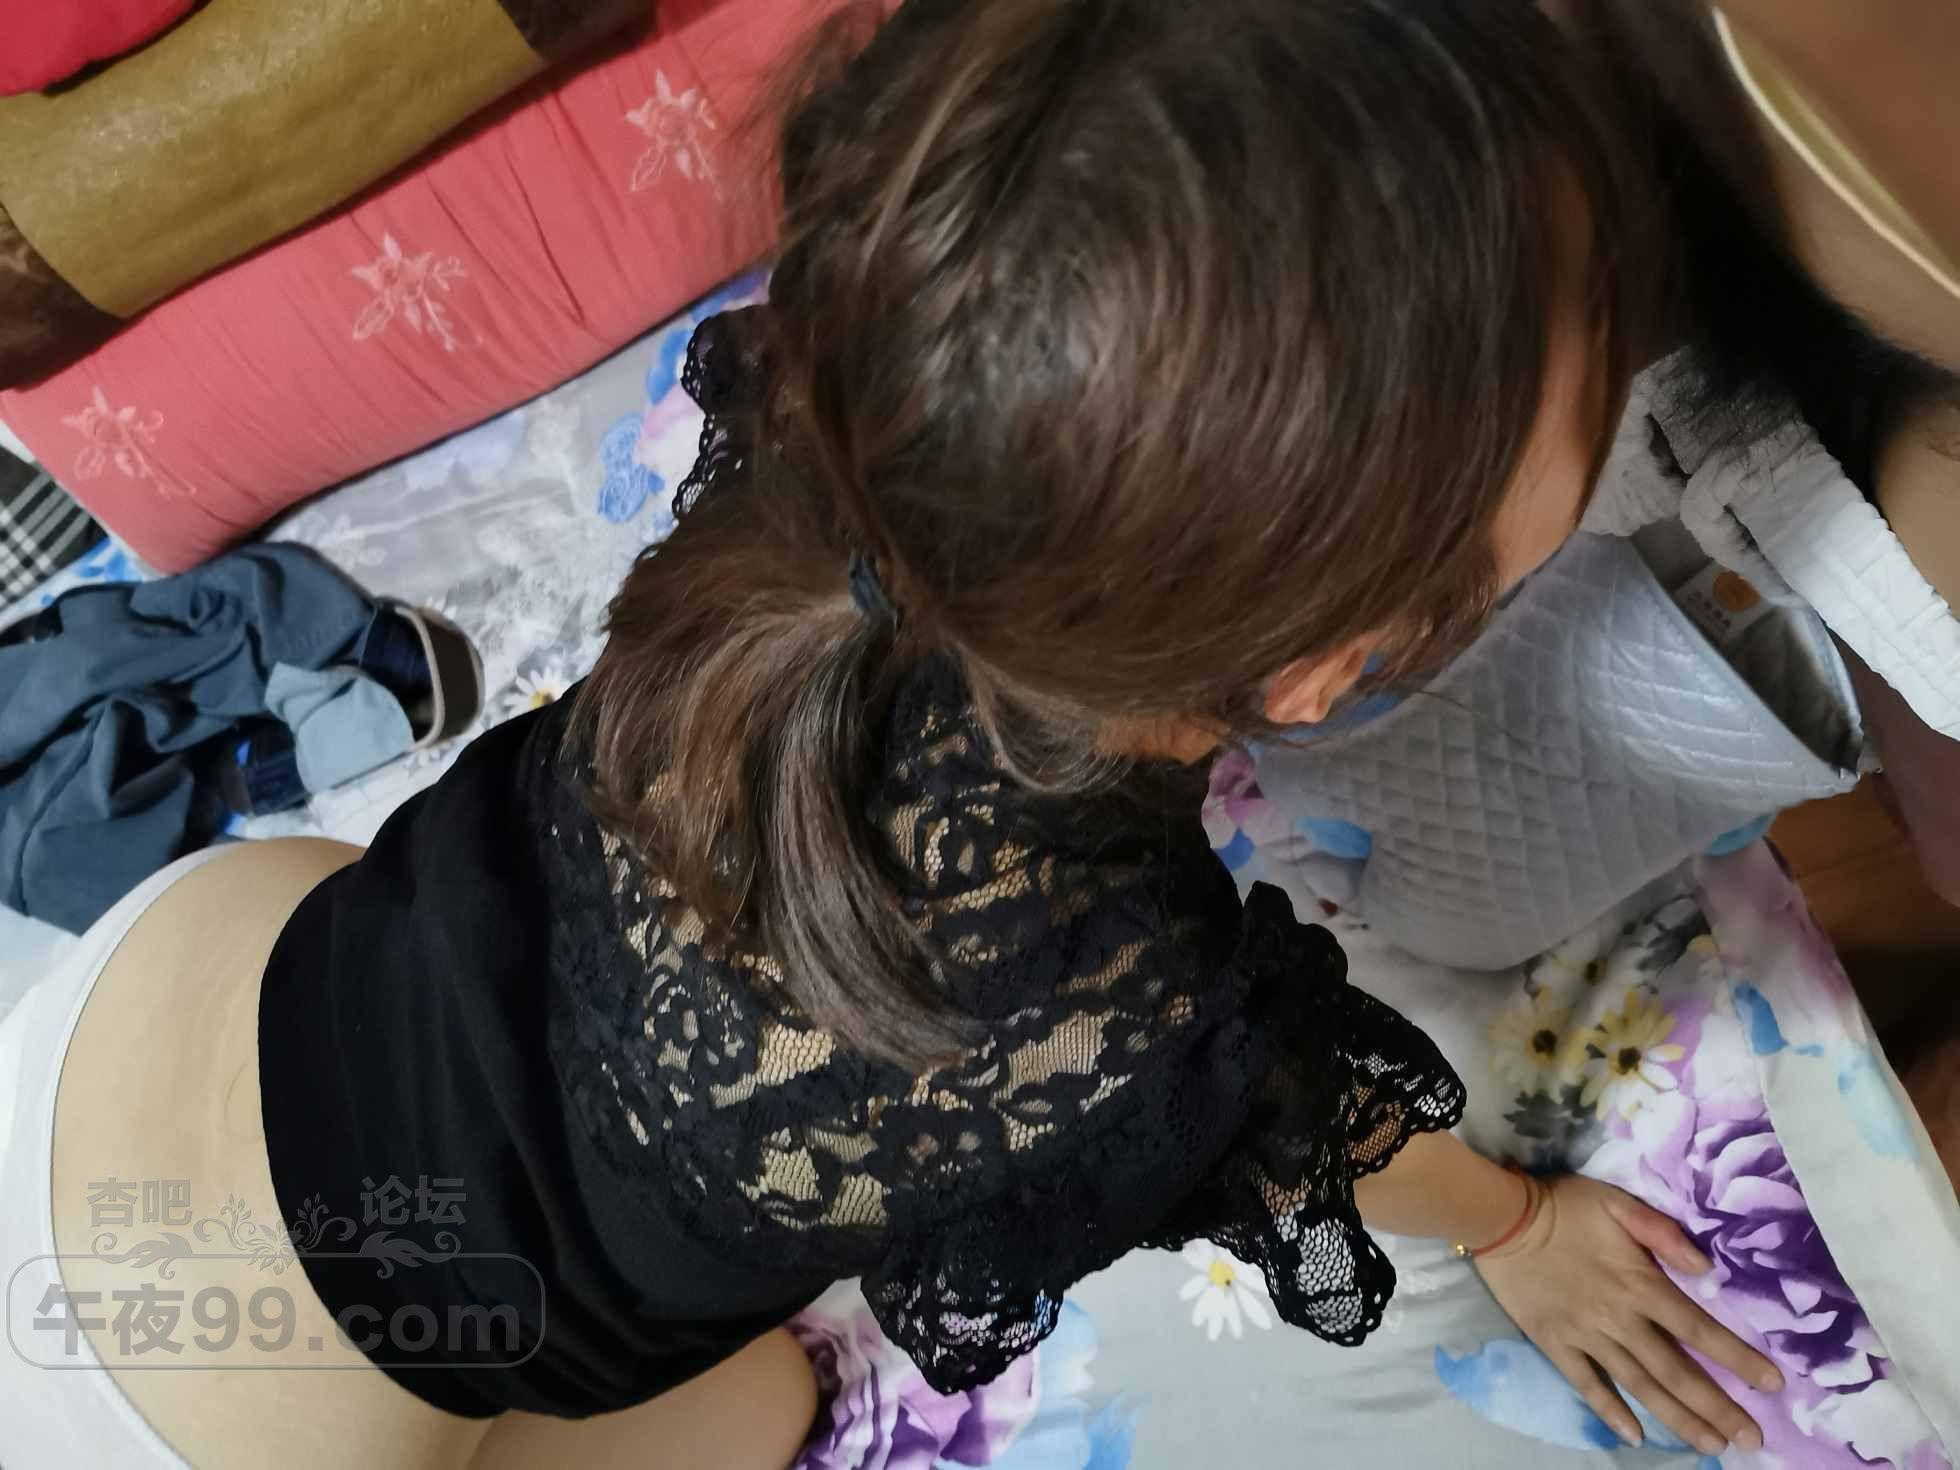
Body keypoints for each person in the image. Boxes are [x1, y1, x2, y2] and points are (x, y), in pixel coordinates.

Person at [6, 1, 1879, 1466]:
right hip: (220, 1404)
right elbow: (1283, 1117)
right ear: (1321, 676)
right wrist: (1520, 1226)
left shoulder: (849, 399)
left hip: (150, 1001)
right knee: (770, 1407)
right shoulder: (1109, 998)